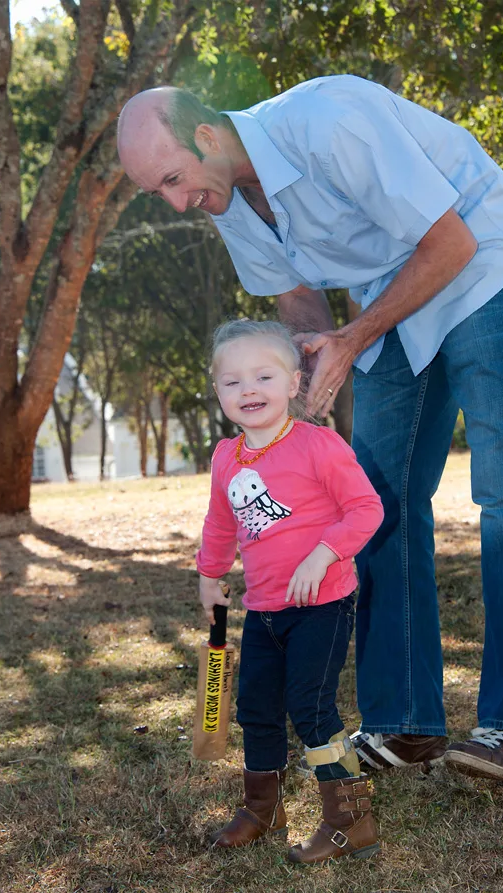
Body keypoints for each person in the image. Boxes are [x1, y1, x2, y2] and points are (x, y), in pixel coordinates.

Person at [118, 75, 503, 784]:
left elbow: (448, 242)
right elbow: (297, 298)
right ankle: (404, 721)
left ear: (206, 135)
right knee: (373, 503)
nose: (177, 202)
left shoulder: (326, 121)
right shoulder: (225, 195)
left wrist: (352, 338)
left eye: (174, 179)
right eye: (158, 193)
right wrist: (300, 380)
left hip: (481, 260)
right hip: (390, 298)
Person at [195, 319, 384, 863]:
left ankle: (352, 821)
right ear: (218, 391)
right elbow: (220, 523)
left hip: (322, 605)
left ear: (294, 383)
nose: (248, 390)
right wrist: (209, 576)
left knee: (311, 707)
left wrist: (324, 553)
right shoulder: (226, 457)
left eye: (263, 376)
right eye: (233, 381)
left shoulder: (318, 445)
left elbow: (366, 508)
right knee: (256, 707)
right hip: (263, 610)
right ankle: (263, 809)